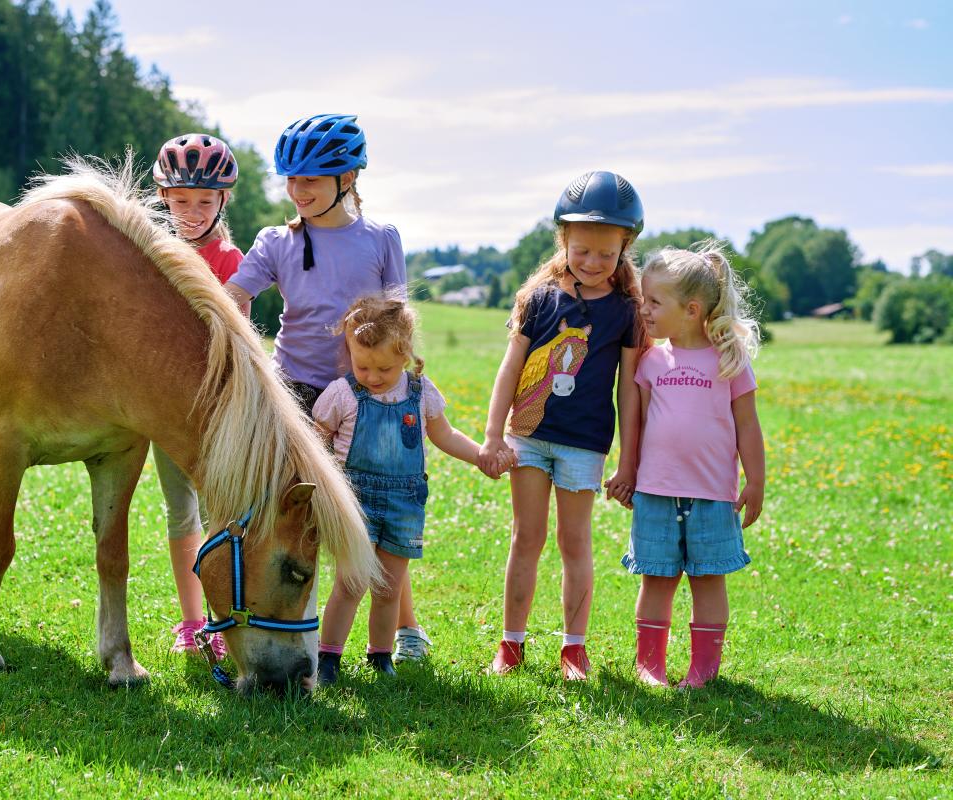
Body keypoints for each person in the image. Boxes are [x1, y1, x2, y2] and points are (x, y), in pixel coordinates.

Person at [224, 114, 432, 661]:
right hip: (293, 391)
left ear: (348, 179)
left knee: (374, 509)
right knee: (298, 513)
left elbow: (398, 317)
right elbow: (232, 296)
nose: (298, 192)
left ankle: (405, 627)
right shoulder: (277, 241)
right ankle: (300, 622)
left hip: (361, 394)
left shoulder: (381, 240)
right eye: (291, 181)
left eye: (311, 180)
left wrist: (404, 376)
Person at [478, 171, 645, 680]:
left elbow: (630, 390)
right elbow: (510, 368)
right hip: (527, 438)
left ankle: (574, 648)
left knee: (576, 544)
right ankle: (512, 644)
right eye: (582, 250)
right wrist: (491, 434)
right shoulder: (538, 300)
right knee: (525, 538)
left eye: (606, 254)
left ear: (625, 249)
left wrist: (629, 459)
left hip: (584, 445)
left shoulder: (627, 312)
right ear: (563, 240)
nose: (593, 263)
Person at [311, 294, 506, 684]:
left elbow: (444, 434)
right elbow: (317, 442)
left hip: (404, 504)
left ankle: (380, 656)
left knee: (388, 587)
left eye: (383, 367)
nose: (372, 375)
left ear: (405, 355)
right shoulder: (342, 394)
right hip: (356, 501)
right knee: (350, 584)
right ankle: (328, 657)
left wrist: (481, 456)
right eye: (361, 365)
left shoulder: (419, 392)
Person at [624, 242, 765, 688]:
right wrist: (627, 471)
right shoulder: (651, 361)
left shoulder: (729, 361)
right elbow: (640, 422)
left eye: (653, 302)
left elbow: (748, 426)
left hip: (712, 494)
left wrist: (756, 480)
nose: (643, 309)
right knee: (656, 580)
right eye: (643, 300)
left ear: (690, 310)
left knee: (708, 580)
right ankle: (650, 665)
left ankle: (703, 669)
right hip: (656, 491)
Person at [150, 133, 244, 658]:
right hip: (165, 408)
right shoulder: (152, 255)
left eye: (204, 201)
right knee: (179, 513)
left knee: (218, 515)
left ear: (222, 201)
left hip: (214, 409)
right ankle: (190, 621)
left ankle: (220, 618)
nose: (192, 211)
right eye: (181, 200)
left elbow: (239, 337)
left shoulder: (231, 261)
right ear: (163, 199)